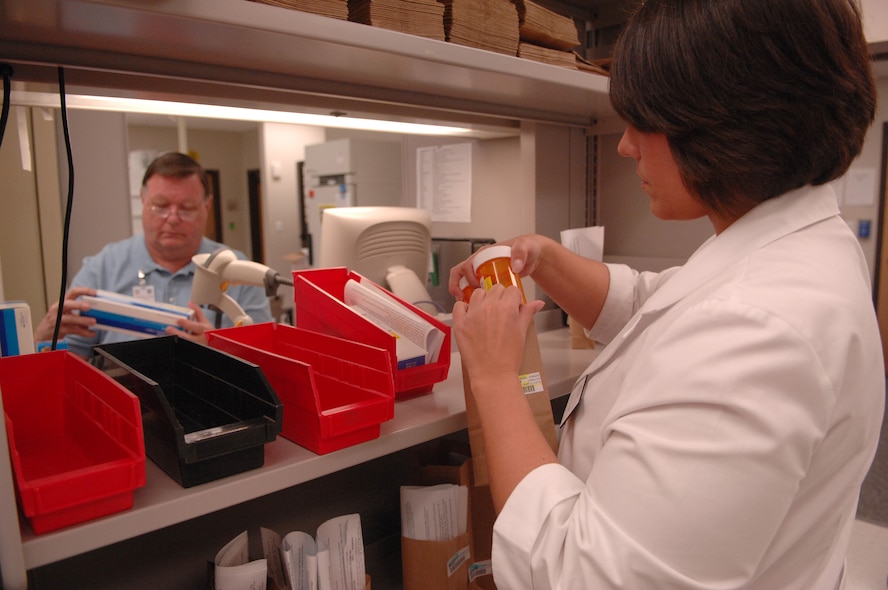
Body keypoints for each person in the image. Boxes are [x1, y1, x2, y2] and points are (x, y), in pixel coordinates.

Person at [449, 1, 884, 588]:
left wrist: (496, 378)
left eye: (644, 121)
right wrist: (547, 260)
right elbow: (654, 306)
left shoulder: (754, 330)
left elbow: (585, 575)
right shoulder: (795, 246)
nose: (625, 146)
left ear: (726, 124)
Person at [33, 151, 272, 358]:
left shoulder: (239, 274)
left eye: (187, 208)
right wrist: (44, 337)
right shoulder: (102, 269)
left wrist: (215, 351)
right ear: (144, 202)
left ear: (206, 208)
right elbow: (69, 360)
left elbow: (265, 360)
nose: (173, 218)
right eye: (160, 206)